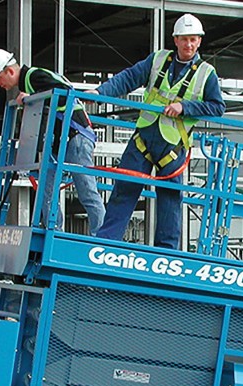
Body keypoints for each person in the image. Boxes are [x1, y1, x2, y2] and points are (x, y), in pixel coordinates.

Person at [89, 14, 226, 250]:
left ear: (199, 41)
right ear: (175, 39)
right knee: (125, 189)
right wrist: (101, 93)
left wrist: (185, 107)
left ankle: (166, 254)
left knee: (170, 199)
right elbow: (130, 77)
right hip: (143, 138)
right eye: (184, 39)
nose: (189, 45)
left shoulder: (206, 73)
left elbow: (217, 107)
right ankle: (105, 245)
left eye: (193, 40)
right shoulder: (158, 60)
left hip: (173, 146)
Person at [0, 49, 105, 235]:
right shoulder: (32, 81)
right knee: (46, 189)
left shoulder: (34, 76)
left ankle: (103, 235)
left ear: (10, 71)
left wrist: (31, 98)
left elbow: (64, 91)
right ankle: (53, 231)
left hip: (75, 137)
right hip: (62, 141)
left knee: (86, 189)